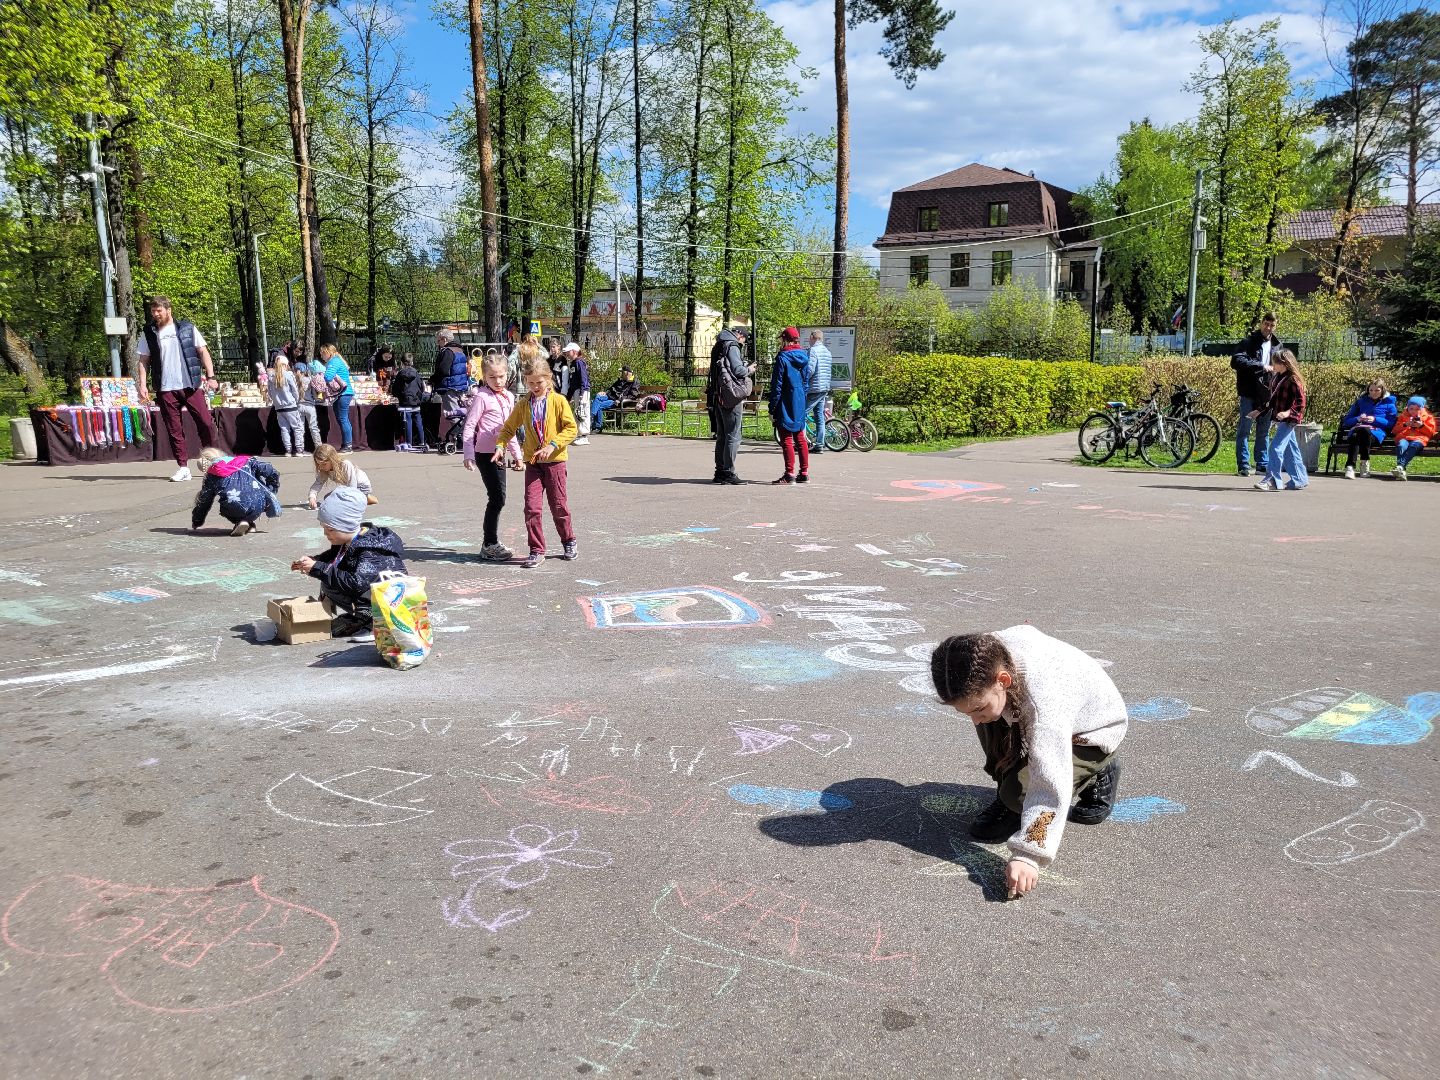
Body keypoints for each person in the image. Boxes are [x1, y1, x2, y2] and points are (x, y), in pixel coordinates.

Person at [930, 627, 1127, 899]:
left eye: (976, 708)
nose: (973, 719)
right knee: (992, 722)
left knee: (1022, 792)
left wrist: (1028, 854)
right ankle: (1012, 794)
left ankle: (1099, 769)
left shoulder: (1045, 704)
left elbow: (1050, 779)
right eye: (965, 711)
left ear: (1003, 679)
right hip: (1035, 708)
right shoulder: (984, 656)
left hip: (1089, 732)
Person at [493, 347, 578, 569]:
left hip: (555, 462)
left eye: (538, 383)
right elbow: (508, 428)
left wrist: (553, 445)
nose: (534, 387)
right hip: (533, 463)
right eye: (530, 383)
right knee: (532, 508)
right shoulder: (524, 404)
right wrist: (501, 446)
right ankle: (536, 549)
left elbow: (571, 429)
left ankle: (569, 540)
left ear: (548, 379)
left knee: (558, 506)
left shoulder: (559, 401)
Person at [292, 486, 407, 643]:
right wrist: (313, 562)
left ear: (346, 525)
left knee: (331, 578)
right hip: (372, 595)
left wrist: (318, 567)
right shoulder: (348, 540)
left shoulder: (370, 548)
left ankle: (376, 623)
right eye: (324, 528)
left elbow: (356, 583)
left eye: (331, 529)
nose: (326, 534)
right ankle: (363, 616)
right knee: (329, 576)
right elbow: (334, 557)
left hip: (390, 600)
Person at [135, 296, 219, 482]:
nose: (156, 315)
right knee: (174, 429)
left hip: (190, 384)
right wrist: (142, 385)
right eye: (153, 312)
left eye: (159, 311)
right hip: (165, 388)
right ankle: (183, 467)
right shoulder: (148, 332)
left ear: (168, 310)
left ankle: (213, 461)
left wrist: (211, 377)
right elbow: (143, 361)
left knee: (205, 423)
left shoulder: (187, 328)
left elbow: (203, 351)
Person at [463, 354, 523, 561]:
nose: (497, 381)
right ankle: (489, 544)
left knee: (499, 498)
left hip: (500, 452)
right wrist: (468, 454)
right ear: (484, 377)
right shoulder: (482, 396)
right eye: (492, 377)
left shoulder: (509, 396)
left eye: (501, 376)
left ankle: (490, 542)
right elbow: (470, 425)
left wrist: (518, 456)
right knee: (497, 498)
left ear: (508, 374)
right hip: (485, 453)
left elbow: (509, 429)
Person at [1231, 313, 1283, 477]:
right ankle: (1244, 465)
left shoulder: (1277, 345)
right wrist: (1261, 366)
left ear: (1275, 326)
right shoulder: (1248, 342)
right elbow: (1236, 361)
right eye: (1265, 324)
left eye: (1271, 325)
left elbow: (1282, 368)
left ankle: (1262, 464)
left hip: (1267, 393)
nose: (1268, 328)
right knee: (1244, 430)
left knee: (1263, 431)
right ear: (1261, 323)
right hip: (1249, 392)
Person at [191, 447, 281, 537]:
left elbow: (204, 500)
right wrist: (271, 489)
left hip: (235, 506)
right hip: (259, 504)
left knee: (227, 504)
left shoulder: (212, 475)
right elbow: (270, 470)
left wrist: (197, 520)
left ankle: (240, 522)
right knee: (249, 497)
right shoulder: (247, 461)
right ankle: (249, 524)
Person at [1252, 348, 1307, 492]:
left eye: (1275, 362)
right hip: (1281, 419)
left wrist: (1288, 413)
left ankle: (1272, 480)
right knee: (1291, 450)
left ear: (1284, 363)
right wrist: (1259, 410)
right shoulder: (1277, 378)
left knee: (1275, 448)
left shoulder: (1293, 379)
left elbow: (1300, 402)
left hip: (1289, 420)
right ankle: (1299, 479)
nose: (1272, 364)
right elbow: (1273, 399)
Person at [707, 326, 753, 484]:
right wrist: (750, 369)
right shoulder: (732, 345)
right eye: (744, 339)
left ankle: (719, 471)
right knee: (733, 435)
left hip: (717, 394)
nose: (743, 342)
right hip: (730, 396)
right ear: (739, 335)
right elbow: (739, 371)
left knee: (721, 435)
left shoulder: (719, 344)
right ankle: (728, 472)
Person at [769, 326, 812, 485]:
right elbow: (806, 381)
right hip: (799, 399)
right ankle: (804, 473)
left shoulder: (782, 357)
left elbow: (777, 385)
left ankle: (789, 474)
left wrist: (772, 407)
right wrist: (801, 396)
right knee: (800, 437)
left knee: (786, 437)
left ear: (785, 339)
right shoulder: (804, 356)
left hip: (785, 400)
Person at [1339, 380, 1397, 479]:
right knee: (1357, 433)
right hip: (1358, 430)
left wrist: (1375, 419)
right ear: (1368, 390)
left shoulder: (1389, 404)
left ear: (1382, 390)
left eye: (1377, 390)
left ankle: (1350, 466)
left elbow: (1391, 424)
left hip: (1375, 435)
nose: (1374, 393)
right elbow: (1347, 421)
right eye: (1371, 390)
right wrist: (1358, 418)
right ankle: (1358, 466)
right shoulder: (1360, 402)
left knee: (1361, 433)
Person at [308, 443, 376, 508]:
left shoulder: (345, 464)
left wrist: (349, 499)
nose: (321, 467)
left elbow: (352, 484)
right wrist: (312, 498)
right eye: (319, 464)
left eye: (324, 464)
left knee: (339, 504)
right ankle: (363, 498)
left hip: (361, 486)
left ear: (332, 459)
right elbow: (317, 484)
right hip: (348, 488)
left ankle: (365, 498)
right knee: (328, 498)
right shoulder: (323, 469)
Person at [266, 353, 305, 457]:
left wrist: (275, 401)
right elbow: (295, 390)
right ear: (285, 364)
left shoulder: (271, 377)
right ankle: (299, 450)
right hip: (291, 405)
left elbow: (269, 392)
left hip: (279, 407)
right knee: (297, 428)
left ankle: (288, 450)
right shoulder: (288, 375)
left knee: (284, 429)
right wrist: (296, 400)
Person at [320, 342, 356, 453]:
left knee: (343, 419)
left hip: (343, 394)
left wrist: (320, 375)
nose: (321, 356)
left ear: (328, 353)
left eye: (323, 353)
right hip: (344, 393)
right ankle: (347, 444)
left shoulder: (333, 362)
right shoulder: (337, 360)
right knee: (343, 419)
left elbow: (328, 376)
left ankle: (348, 445)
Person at [1390, 395, 1436, 480]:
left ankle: (1400, 466)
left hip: (1419, 439)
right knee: (1401, 445)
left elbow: (1431, 433)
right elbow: (1394, 431)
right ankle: (1401, 471)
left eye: (1417, 409)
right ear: (1407, 408)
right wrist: (1405, 425)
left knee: (1413, 446)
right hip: (1405, 437)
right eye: (1411, 408)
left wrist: (1422, 426)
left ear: (1422, 408)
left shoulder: (1428, 417)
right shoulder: (1403, 416)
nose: (1414, 411)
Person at [389, 353, 427, 452]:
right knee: (418, 421)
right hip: (416, 401)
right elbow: (422, 387)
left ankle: (409, 443)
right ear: (412, 362)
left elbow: (395, 389)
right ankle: (422, 442)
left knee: (408, 421)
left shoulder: (400, 374)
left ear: (402, 363)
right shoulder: (417, 374)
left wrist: (397, 396)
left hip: (405, 401)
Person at [805, 329, 833, 453]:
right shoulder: (827, 352)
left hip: (814, 388)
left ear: (813, 338)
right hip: (824, 387)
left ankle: (801, 442)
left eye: (809, 338)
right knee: (819, 416)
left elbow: (810, 370)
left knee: (802, 414)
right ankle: (819, 445)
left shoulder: (813, 351)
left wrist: (802, 379)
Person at [432, 327, 470, 414]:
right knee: (461, 414)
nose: (438, 344)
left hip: (450, 388)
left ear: (444, 339)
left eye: (438, 341)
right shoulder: (460, 350)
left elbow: (443, 370)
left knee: (453, 415)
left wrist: (433, 379)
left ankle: (461, 428)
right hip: (460, 387)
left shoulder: (447, 351)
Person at [590, 366, 640, 432]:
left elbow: (633, 395)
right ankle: (591, 417)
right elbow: (611, 388)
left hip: (617, 401)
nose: (621, 373)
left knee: (598, 405)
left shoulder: (634, 382)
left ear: (627, 373)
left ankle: (596, 425)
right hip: (610, 396)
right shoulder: (621, 380)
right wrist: (605, 392)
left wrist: (620, 400)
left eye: (622, 372)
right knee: (598, 397)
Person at [561, 342, 592, 445]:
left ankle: (584, 436)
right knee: (578, 412)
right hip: (576, 391)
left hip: (582, 391)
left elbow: (584, 379)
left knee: (583, 412)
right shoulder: (573, 363)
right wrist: (568, 397)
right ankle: (579, 435)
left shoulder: (579, 362)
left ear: (574, 351)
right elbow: (572, 382)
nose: (567, 354)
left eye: (568, 352)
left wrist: (583, 393)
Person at [293, 355, 325, 452]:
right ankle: (318, 447)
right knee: (314, 427)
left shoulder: (294, 381)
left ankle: (300, 449)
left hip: (298, 406)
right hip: (310, 406)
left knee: (299, 428)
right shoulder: (310, 380)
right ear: (306, 370)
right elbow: (315, 395)